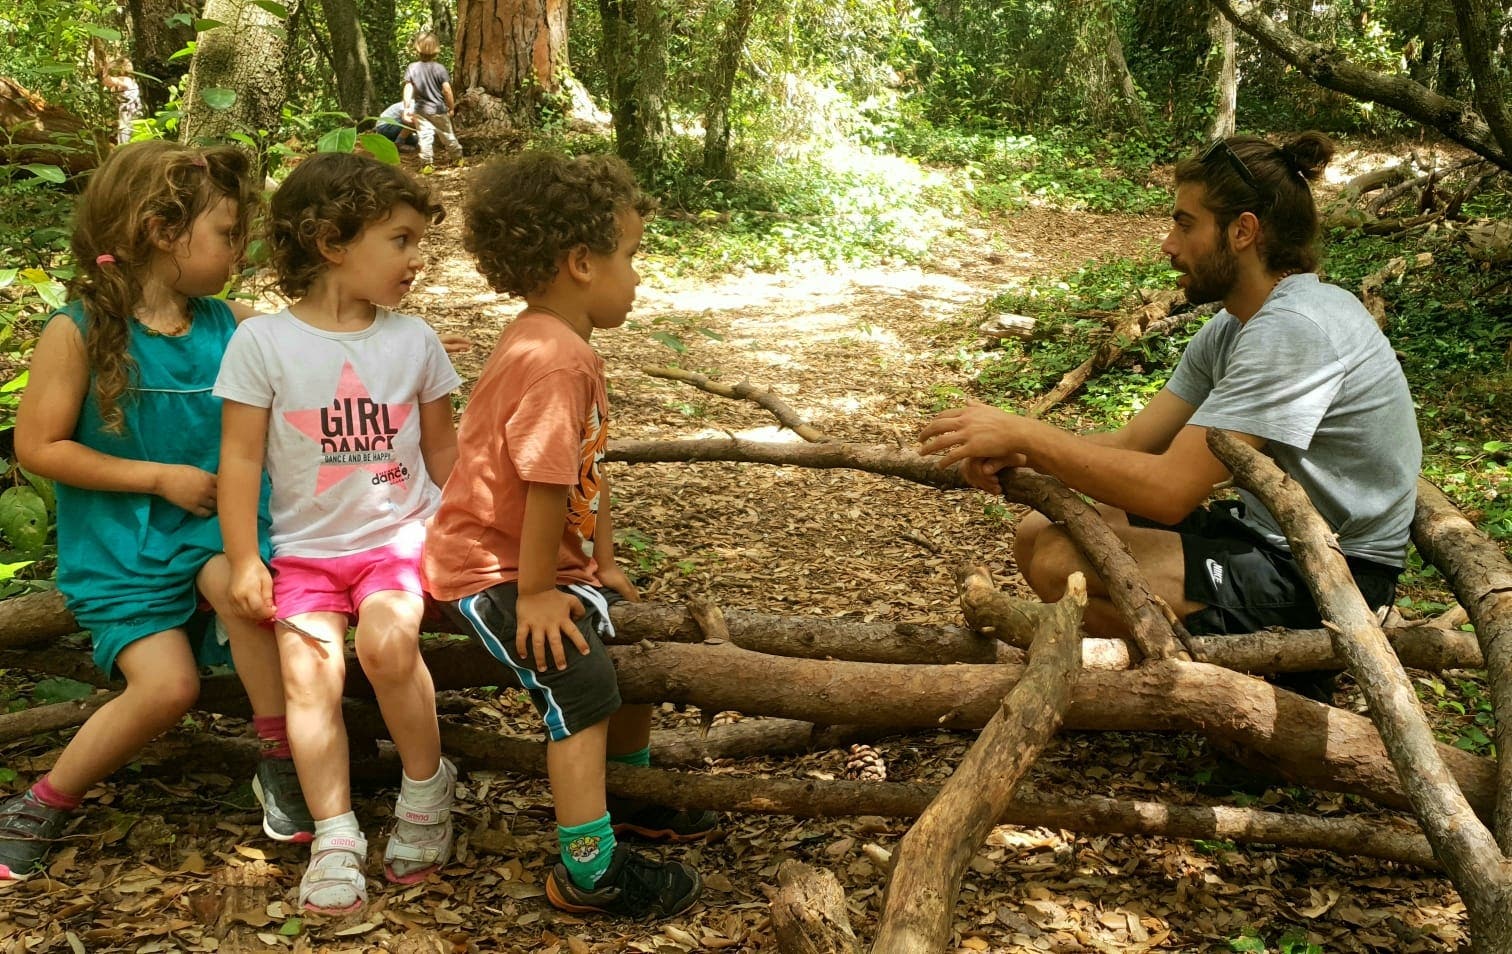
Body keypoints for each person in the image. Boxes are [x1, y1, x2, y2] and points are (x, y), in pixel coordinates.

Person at [920, 131, 1420, 643]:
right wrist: (1017, 453)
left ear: (1242, 231)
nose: (1169, 244)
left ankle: (1268, 668)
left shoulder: (1294, 328)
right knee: (1034, 533)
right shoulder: (1234, 327)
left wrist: (1027, 435)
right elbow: (1132, 445)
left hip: (1334, 576)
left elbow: (1169, 492)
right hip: (1265, 533)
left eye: (1185, 224)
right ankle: (1202, 643)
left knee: (1059, 560)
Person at [2, 141, 314, 880]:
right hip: (124, 547)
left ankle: (281, 757)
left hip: (221, 527)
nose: (239, 251)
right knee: (168, 687)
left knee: (239, 584)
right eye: (226, 233)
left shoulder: (234, 324)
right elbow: (37, 446)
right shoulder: (75, 332)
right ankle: (43, 802)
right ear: (161, 232)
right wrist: (157, 478)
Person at [425, 151, 714, 919]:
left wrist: (600, 562)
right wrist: (539, 593)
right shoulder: (557, 359)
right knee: (580, 684)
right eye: (631, 257)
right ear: (582, 262)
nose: (639, 275)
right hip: (489, 569)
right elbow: (543, 481)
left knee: (627, 651)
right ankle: (589, 869)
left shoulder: (552, 341)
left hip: (538, 564)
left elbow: (587, 468)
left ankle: (630, 795)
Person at [215, 152, 461, 915]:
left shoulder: (413, 340)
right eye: (400, 239)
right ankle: (335, 832)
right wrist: (244, 558)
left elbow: (445, 450)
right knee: (308, 678)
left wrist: (476, 530)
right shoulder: (263, 344)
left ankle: (427, 791)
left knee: (388, 646)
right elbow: (241, 456)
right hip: (307, 553)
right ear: (331, 243)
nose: (417, 259)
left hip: (396, 537)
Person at [402, 32, 463, 166]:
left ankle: (427, 164)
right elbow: (447, 90)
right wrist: (451, 107)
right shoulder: (439, 69)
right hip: (438, 109)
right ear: (436, 50)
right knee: (447, 135)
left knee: (424, 138)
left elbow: (408, 88)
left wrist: (406, 108)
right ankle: (458, 159)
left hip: (420, 111)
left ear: (417, 49)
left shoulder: (412, 68)